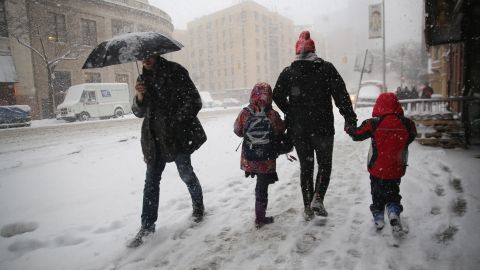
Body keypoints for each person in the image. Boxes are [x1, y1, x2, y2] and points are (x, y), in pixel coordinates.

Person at [272, 31, 357, 220]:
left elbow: (276, 95)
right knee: (325, 164)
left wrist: (290, 111)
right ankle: (318, 198)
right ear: (314, 51)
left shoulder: (288, 72)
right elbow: (341, 96)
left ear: (297, 52)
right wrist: (349, 118)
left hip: (299, 129)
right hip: (323, 127)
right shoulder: (326, 69)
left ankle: (307, 208)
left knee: (306, 167)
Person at [128, 53, 207, 248]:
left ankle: (198, 206)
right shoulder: (142, 79)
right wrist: (139, 96)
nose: (145, 60)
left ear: (157, 54)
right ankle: (147, 227)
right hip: (153, 139)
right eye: (142, 57)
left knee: (186, 173)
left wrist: (175, 120)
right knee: (151, 183)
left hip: (177, 136)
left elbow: (195, 101)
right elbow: (139, 112)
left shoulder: (176, 71)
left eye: (148, 56)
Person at [345, 92, 417, 232]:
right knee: (393, 192)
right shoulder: (407, 123)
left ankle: (378, 217)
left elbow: (357, 135)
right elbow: (412, 136)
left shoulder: (374, 123)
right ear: (397, 105)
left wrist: (349, 126)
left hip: (377, 168)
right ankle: (393, 211)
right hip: (396, 168)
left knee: (377, 193)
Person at [234, 82, 285, 228]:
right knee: (262, 188)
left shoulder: (245, 112)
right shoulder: (272, 114)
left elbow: (237, 131)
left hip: (249, 158)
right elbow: (281, 129)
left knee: (260, 185)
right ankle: (260, 218)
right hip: (266, 159)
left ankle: (260, 215)